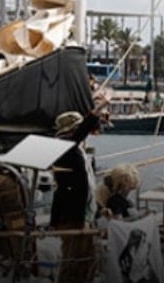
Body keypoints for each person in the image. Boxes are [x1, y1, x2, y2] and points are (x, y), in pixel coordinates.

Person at [51, 109, 102, 282]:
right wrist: (94, 114)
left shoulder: (77, 151)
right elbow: (76, 138)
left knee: (88, 260)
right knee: (72, 260)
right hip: (71, 215)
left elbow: (87, 184)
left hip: (83, 214)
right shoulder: (64, 147)